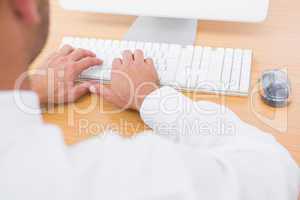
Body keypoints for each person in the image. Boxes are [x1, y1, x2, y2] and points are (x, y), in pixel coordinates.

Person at [0, 0, 299, 200]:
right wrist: (149, 97)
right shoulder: (118, 181)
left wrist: (31, 90)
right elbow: (278, 175)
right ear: (24, 6)